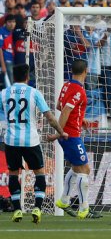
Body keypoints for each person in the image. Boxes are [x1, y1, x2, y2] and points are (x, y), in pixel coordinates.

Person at [0, 63, 68, 223]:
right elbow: (50, 117)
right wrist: (60, 132)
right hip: (30, 140)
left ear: (13, 76)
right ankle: (37, 207)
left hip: (11, 140)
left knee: (13, 174)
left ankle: (17, 210)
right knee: (39, 173)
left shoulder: (3, 93)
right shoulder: (33, 92)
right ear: (27, 77)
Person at [48, 59, 102, 219]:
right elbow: (64, 111)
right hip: (70, 135)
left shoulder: (66, 85)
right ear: (85, 71)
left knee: (77, 168)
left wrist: (80, 119)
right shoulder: (79, 90)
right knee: (84, 170)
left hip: (69, 133)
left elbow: (59, 105)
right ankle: (84, 208)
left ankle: (64, 200)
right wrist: (59, 132)